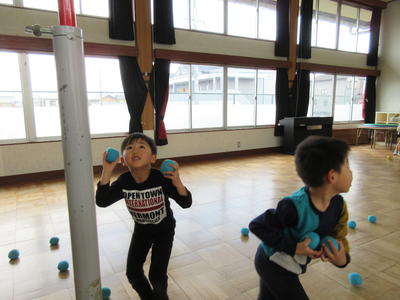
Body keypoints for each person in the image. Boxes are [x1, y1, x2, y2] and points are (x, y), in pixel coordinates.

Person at [249, 136, 352, 300]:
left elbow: (339, 237)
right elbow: (257, 225)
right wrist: (293, 247)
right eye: (347, 166)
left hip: (292, 264)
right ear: (332, 176)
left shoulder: (339, 206)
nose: (351, 172)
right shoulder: (293, 206)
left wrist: (342, 259)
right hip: (272, 261)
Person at [96, 132, 192, 300]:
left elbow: (186, 203)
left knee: (156, 277)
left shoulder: (161, 179)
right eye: (129, 147)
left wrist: (177, 182)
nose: (135, 150)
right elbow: (102, 201)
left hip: (164, 231)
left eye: (142, 146)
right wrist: (107, 171)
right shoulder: (124, 181)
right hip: (141, 231)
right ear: (123, 160)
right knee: (132, 274)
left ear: (153, 158)